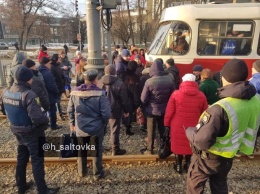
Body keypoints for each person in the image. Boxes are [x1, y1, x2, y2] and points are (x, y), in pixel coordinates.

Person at [185, 59, 260, 194]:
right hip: (229, 154)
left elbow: (202, 142)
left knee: (195, 184)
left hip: (208, 156)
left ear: (225, 78)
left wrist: (189, 131)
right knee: (219, 184)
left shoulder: (220, 108)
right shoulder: (256, 100)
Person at [0, 66, 60, 194]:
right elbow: (38, 118)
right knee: (37, 160)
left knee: (22, 158)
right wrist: (47, 119)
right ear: (28, 79)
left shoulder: (6, 92)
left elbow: (3, 110)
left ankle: (21, 186)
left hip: (17, 131)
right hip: (33, 133)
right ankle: (42, 190)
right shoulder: (29, 95)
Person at [67, 69, 111, 180]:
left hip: (80, 127)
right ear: (95, 80)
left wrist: (72, 123)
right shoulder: (100, 93)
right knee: (96, 150)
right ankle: (97, 174)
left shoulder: (74, 92)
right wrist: (103, 123)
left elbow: (69, 110)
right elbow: (106, 113)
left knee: (81, 149)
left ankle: (82, 172)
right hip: (96, 128)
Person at [164, 74, 208, 174]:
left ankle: (178, 165)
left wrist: (166, 124)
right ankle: (188, 164)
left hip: (178, 124)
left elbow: (169, 111)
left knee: (178, 144)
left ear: (183, 82)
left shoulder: (176, 94)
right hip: (194, 124)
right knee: (190, 144)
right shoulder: (201, 95)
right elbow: (205, 112)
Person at [140, 59, 175, 155]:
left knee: (151, 131)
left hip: (151, 111)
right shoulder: (169, 80)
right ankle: (163, 148)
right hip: (164, 110)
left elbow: (143, 98)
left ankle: (149, 150)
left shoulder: (149, 81)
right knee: (162, 130)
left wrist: (147, 105)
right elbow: (173, 96)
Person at [99, 64, 130, 155]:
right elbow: (124, 100)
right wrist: (126, 111)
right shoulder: (120, 83)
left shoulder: (100, 83)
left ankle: (98, 146)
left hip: (101, 110)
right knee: (114, 130)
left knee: (101, 129)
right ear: (114, 72)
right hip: (115, 110)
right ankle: (115, 149)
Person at [39, 57, 61, 130]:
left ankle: (46, 124)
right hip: (50, 94)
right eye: (49, 63)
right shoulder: (47, 73)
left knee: (44, 110)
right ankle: (53, 125)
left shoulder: (39, 70)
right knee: (52, 110)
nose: (50, 65)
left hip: (42, 94)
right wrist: (57, 91)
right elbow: (52, 85)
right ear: (47, 63)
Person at [123, 61, 141, 136]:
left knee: (125, 112)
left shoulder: (124, 74)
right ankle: (127, 128)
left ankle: (126, 125)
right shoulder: (134, 78)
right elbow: (135, 92)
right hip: (130, 98)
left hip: (123, 96)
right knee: (129, 113)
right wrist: (137, 103)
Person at [50, 54, 66, 120]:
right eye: (59, 58)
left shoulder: (58, 66)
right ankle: (59, 114)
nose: (60, 59)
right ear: (55, 59)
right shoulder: (52, 67)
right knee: (57, 102)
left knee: (58, 101)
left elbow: (61, 76)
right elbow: (53, 79)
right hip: (56, 87)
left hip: (60, 87)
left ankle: (59, 113)